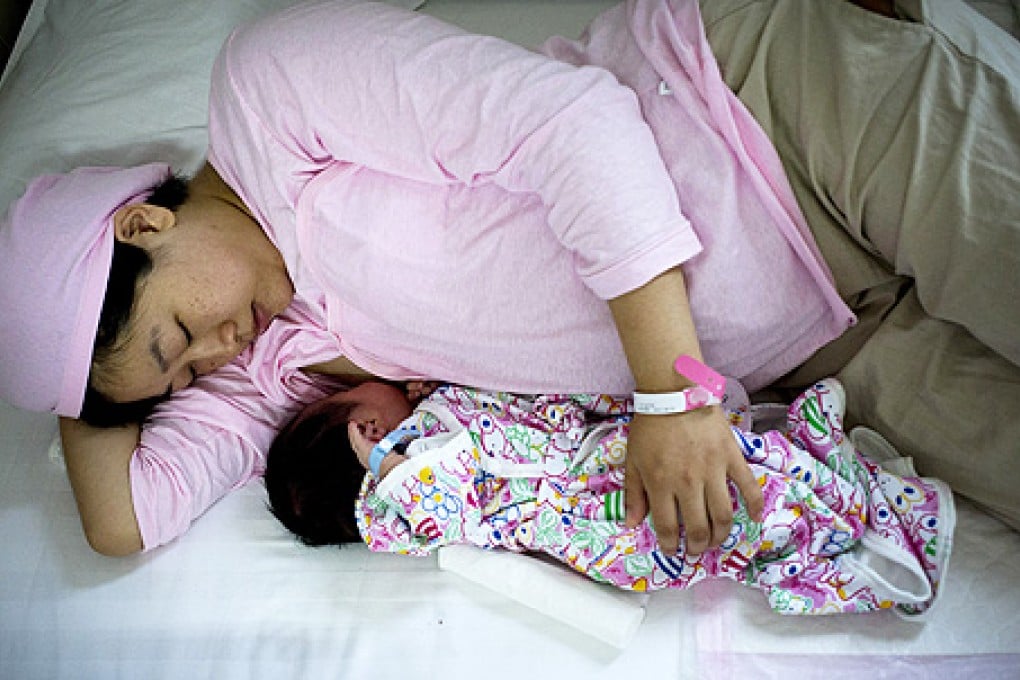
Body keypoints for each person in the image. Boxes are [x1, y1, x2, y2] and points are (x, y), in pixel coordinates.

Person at [0, 0, 1016, 557]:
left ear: (142, 219)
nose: (213, 356)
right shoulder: (268, 365)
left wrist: (671, 395)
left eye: (180, 334)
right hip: (823, 341)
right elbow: (124, 520)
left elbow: (571, 121)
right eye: (178, 378)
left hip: (777, 121)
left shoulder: (270, 91)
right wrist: (75, 370)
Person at [264, 378, 954, 617]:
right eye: (347, 396)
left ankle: (823, 477)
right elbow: (440, 505)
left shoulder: (434, 417)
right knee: (727, 507)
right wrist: (393, 473)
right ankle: (863, 546)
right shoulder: (407, 498)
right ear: (366, 427)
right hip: (602, 517)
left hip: (597, 467)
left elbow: (530, 404)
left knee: (732, 470)